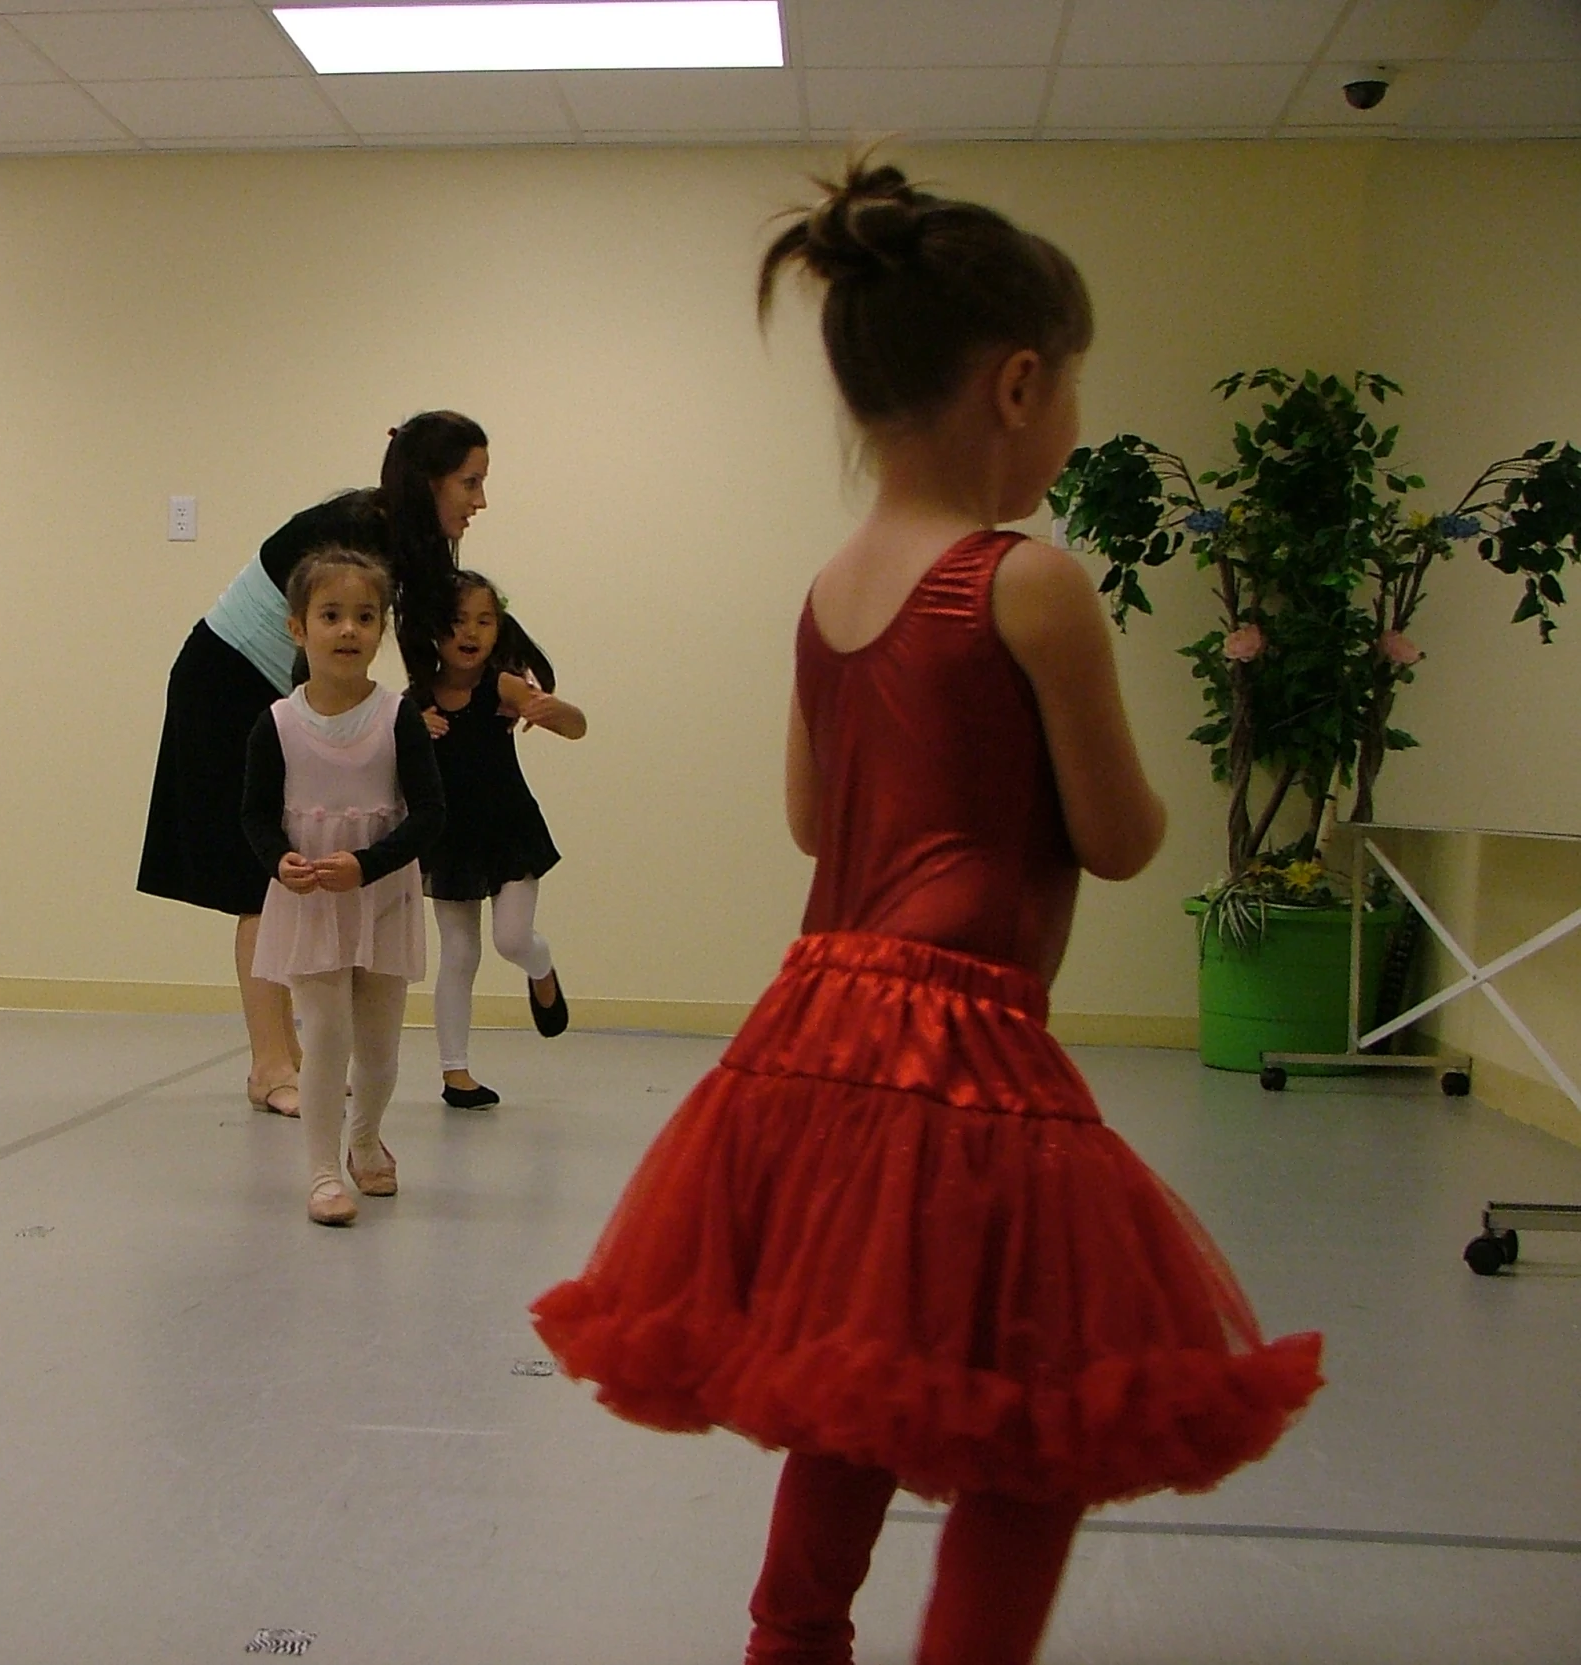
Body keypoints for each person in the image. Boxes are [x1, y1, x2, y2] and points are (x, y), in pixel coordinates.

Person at [529, 160, 1323, 1665]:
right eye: (1075, 392)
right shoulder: (1028, 583)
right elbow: (1124, 834)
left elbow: (812, 823)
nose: (1073, 421)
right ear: (1020, 384)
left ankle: (794, 1640)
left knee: (866, 1370)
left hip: (813, 1035)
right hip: (961, 1046)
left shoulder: (831, 586)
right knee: (1036, 1415)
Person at [138, 413, 488, 1117]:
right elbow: (328, 654)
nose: (480, 501)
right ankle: (270, 1066)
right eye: (470, 482)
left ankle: (292, 1056)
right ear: (428, 481)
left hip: (264, 686)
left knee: (278, 877)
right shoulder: (356, 532)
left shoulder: (402, 542)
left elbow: (431, 649)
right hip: (225, 681)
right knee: (260, 881)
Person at [241, 547, 445, 1226]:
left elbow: (431, 815)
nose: (349, 630)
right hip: (312, 904)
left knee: (381, 1045)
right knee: (326, 1032)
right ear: (299, 628)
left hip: (382, 896)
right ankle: (324, 1171)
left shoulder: (398, 718)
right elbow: (254, 816)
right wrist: (281, 862)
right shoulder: (277, 724)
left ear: (381, 628)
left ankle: (365, 1135)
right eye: (331, 615)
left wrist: (369, 864)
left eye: (364, 616)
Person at [415, 571, 585, 1109]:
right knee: (459, 953)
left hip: (509, 831)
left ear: (498, 627)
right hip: (450, 841)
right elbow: (378, 750)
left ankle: (541, 967)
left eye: (484, 620)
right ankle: (455, 1073)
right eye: (457, 621)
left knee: (511, 939)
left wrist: (554, 711)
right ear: (433, 631)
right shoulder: (414, 700)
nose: (471, 631)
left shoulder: (502, 686)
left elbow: (577, 726)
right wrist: (410, 729)